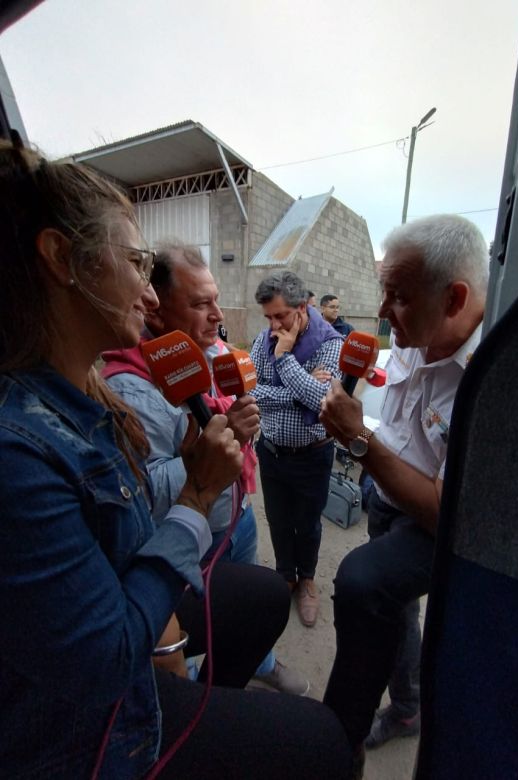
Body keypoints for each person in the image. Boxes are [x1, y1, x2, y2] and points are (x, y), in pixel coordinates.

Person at [0, 137, 353, 779]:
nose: (149, 293)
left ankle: (205, 697)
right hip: (95, 733)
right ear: (61, 259)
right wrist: (195, 494)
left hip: (143, 631)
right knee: (322, 744)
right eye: (136, 261)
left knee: (260, 594)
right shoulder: (18, 451)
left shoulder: (86, 394)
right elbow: (106, 655)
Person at [319, 214, 488, 770]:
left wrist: (360, 442)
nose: (385, 313)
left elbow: (449, 513)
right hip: (383, 500)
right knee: (397, 614)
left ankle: (336, 740)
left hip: (428, 522)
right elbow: (398, 428)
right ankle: (409, 707)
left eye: (400, 297)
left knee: (365, 581)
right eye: (384, 292)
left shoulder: (487, 380)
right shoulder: (413, 339)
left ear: (455, 298)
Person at [102, 244, 309, 696]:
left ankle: (262, 661)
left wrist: (240, 431)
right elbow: (143, 494)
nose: (217, 315)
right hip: (197, 534)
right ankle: (204, 682)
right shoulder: (132, 393)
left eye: (215, 299)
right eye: (200, 304)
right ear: (156, 313)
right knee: (211, 619)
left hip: (237, 515)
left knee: (253, 599)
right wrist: (211, 450)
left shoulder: (211, 353)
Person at [250, 271, 344, 627]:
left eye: (281, 316)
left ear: (302, 308)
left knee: (307, 524)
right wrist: (299, 392)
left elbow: (324, 401)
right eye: (268, 317)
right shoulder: (262, 341)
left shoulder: (330, 343)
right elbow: (252, 394)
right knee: (277, 519)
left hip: (313, 455)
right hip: (271, 451)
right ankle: (284, 575)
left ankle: (306, 580)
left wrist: (285, 357)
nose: (274, 326)